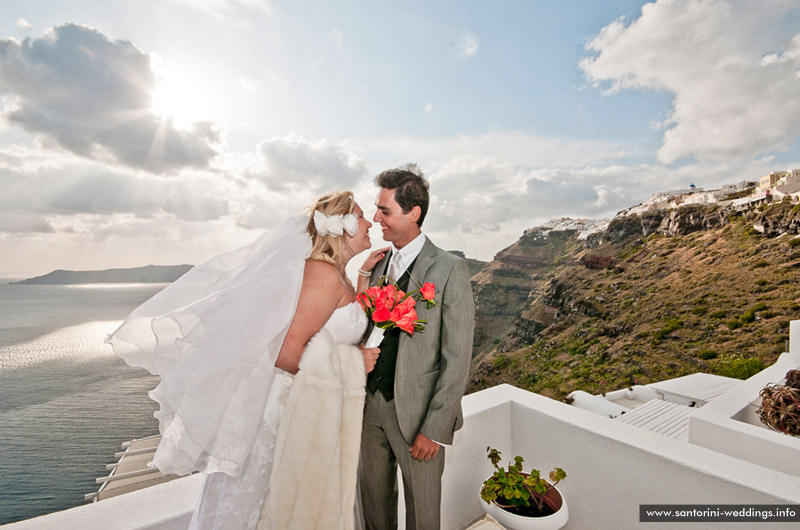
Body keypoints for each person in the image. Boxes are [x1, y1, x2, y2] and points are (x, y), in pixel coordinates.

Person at [106, 191, 381, 530]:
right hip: (290, 413)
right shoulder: (321, 275)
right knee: (265, 505)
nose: (370, 223)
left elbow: (334, 325)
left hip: (312, 407)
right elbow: (286, 353)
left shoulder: (336, 275)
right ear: (343, 227)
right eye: (362, 216)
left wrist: (364, 279)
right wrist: (355, 362)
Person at [358, 165, 475, 530]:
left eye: (385, 211)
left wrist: (435, 428)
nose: (376, 219)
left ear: (414, 213)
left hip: (419, 420)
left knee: (424, 516)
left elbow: (457, 357)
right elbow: (366, 328)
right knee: (374, 506)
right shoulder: (378, 266)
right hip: (370, 410)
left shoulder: (450, 269)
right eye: (377, 210)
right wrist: (362, 277)